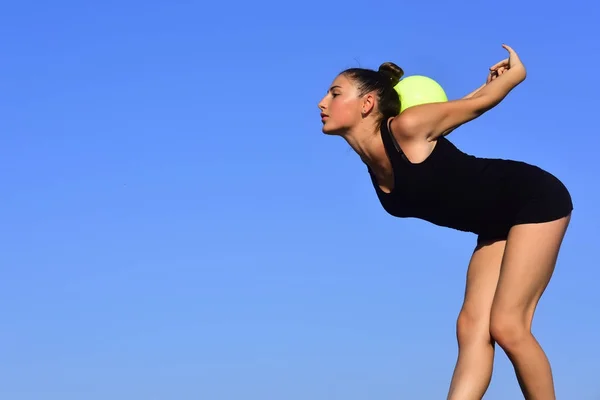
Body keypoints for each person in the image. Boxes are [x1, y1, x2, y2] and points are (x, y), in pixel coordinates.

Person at [317, 44, 573, 400]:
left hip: (533, 198)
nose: (322, 103)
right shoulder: (374, 164)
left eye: (334, 93)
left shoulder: (407, 127)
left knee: (507, 326)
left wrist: (513, 76)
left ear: (367, 103)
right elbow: (460, 104)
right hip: (495, 224)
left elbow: (475, 105)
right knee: (470, 328)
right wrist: (482, 87)